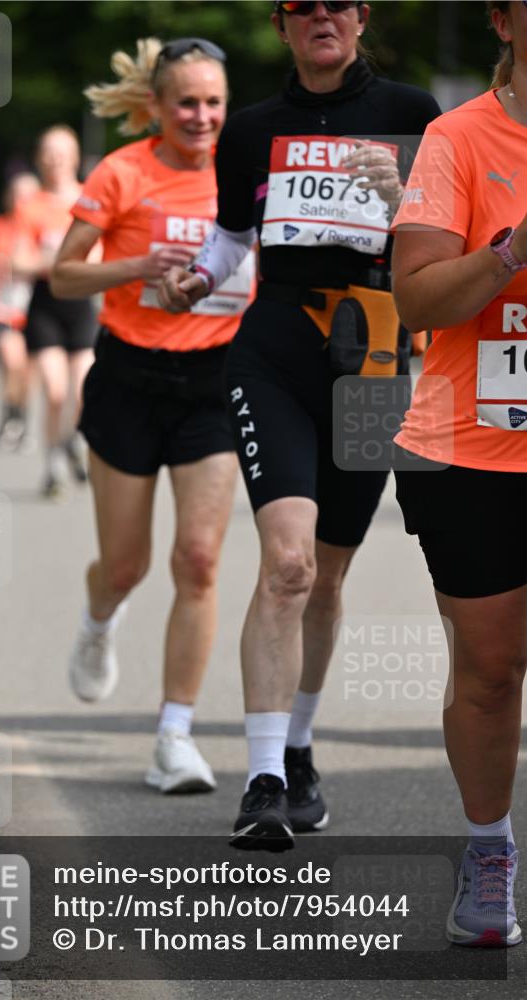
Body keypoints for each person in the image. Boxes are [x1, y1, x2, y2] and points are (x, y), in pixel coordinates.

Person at [159, 1, 440, 848]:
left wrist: (403, 196)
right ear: (283, 27)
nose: (320, 18)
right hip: (274, 349)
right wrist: (194, 279)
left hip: (375, 354)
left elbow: (443, 236)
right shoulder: (250, 129)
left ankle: (302, 744)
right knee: (284, 565)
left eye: (337, 5)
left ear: (360, 20)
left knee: (325, 574)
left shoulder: (410, 113)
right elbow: (231, 239)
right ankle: (264, 779)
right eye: (301, 7)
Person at [50, 37, 253, 793]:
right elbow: (64, 276)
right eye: (186, 103)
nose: (201, 116)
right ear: (157, 108)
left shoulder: (245, 169)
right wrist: (136, 266)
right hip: (130, 377)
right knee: (127, 564)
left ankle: (174, 736)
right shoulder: (123, 171)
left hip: (215, 379)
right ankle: (98, 619)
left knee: (199, 560)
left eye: (213, 103)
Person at [391, 0, 526, 948]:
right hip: (473, 447)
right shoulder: (456, 138)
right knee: (489, 672)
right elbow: (416, 298)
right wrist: (513, 249)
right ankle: (489, 850)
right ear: (502, 18)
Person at [21, 125, 99, 497]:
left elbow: (99, 255)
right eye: (49, 153)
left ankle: (70, 440)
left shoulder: (89, 199)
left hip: (81, 304)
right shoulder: (30, 205)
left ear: (74, 157)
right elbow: (18, 259)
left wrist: (56, 260)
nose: (55, 161)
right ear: (40, 159)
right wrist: (58, 262)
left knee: (84, 390)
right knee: (54, 390)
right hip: (45, 305)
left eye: (62, 153)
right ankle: (52, 462)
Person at [0, 172, 41, 450]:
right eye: (17, 194)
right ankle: (9, 415)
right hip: (3, 308)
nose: (21, 201)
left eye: (28, 195)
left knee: (27, 372)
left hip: (38, 308)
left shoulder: (46, 226)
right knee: (12, 361)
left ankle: (19, 418)